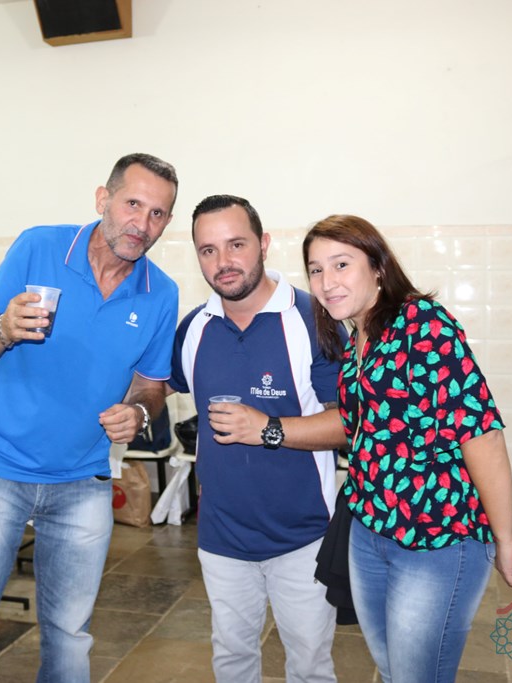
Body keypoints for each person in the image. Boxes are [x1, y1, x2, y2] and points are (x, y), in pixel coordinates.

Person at [0, 153, 180, 683]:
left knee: (70, 636)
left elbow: (152, 386)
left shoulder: (162, 293)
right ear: (103, 199)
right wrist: (3, 329)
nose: (142, 223)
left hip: (83, 481)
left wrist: (137, 411)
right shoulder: (38, 247)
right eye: (133, 204)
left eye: (157, 213)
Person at [302, 214, 512, 683]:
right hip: (370, 530)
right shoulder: (357, 336)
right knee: (394, 671)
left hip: (436, 538)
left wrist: (504, 535)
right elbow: (367, 428)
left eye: (342, 264)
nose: (327, 282)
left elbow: (481, 433)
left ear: (378, 267)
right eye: (315, 269)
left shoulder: (422, 324)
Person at [168, 195, 347, 683]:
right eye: (208, 250)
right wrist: (133, 404)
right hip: (221, 537)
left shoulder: (314, 319)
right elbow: (158, 383)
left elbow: (350, 423)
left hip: (303, 536)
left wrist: (265, 429)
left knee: (310, 666)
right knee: (232, 660)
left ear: (263, 244)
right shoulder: (194, 327)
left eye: (236, 244)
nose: (223, 261)